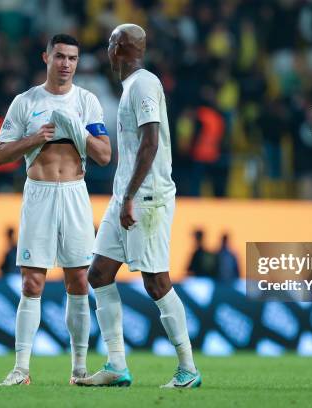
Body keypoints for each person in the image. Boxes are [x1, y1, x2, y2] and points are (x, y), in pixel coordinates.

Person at [75, 24, 201, 389]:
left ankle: (188, 368)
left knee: (157, 282)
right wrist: (122, 195)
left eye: (111, 41)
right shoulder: (131, 86)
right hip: (125, 195)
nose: (107, 46)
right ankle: (116, 364)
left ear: (122, 48)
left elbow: (151, 142)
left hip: (147, 197)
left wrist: (129, 195)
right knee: (98, 274)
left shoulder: (144, 84)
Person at [0, 34, 111, 386]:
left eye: (72, 59)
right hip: (39, 194)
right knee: (32, 281)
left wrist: (78, 131)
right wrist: (35, 138)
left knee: (78, 280)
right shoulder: (26, 102)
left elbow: (104, 156)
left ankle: (78, 369)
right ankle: (21, 370)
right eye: (59, 56)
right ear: (46, 57)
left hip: (75, 193)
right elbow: (0, 154)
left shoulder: (87, 101)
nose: (65, 64)